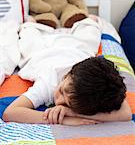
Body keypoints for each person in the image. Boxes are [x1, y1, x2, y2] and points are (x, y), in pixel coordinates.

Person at [2, 16, 132, 125]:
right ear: (68, 75)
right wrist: (64, 120)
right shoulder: (49, 83)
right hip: (46, 50)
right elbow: (10, 112)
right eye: (61, 91)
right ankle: (31, 23)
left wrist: (73, 112)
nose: (58, 101)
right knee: (29, 38)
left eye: (68, 104)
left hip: (74, 49)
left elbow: (126, 114)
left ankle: (85, 20)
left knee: (87, 36)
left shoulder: (96, 85)